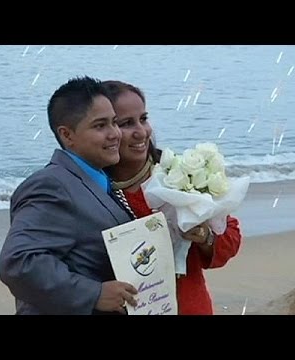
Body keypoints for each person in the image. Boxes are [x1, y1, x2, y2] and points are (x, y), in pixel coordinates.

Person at [0, 76, 139, 315]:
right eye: (100, 125)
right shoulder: (50, 185)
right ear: (67, 135)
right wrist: (93, 294)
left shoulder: (98, 179)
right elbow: (19, 262)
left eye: (114, 122)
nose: (115, 133)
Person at [102, 80, 242, 315]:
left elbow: (230, 240)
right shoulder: (92, 191)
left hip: (189, 306)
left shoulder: (179, 177)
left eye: (143, 119)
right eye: (126, 123)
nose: (141, 131)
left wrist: (204, 236)